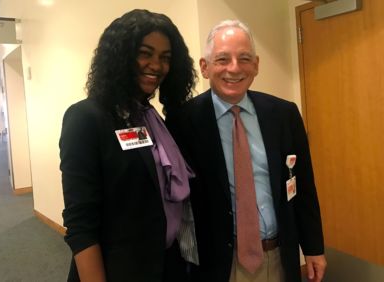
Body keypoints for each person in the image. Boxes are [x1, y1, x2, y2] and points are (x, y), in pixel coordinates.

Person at [166, 20, 327, 282]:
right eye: (222, 59)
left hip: (278, 258)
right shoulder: (182, 122)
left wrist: (313, 248)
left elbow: (304, 186)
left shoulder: (284, 114)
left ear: (256, 64)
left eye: (244, 58)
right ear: (204, 67)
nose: (234, 68)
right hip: (218, 264)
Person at [59, 9, 197, 282]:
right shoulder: (87, 118)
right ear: (121, 56)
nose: (156, 66)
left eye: (165, 58)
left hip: (166, 264)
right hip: (118, 270)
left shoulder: (153, 117)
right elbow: (80, 222)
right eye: (145, 53)